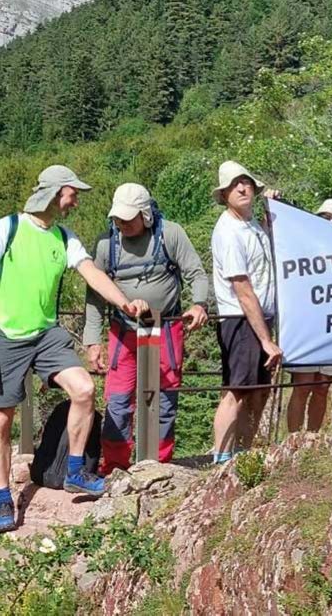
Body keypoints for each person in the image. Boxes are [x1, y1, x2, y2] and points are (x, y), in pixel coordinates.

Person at [0, 165, 149, 533]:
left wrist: (125, 303)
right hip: (5, 335)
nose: (75, 201)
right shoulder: (7, 229)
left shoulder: (64, 237)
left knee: (84, 389)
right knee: (1, 422)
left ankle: (74, 471)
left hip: (46, 332)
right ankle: (4, 498)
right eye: (72, 194)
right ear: (55, 193)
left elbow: (93, 275)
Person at [84, 183, 209, 474]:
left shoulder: (171, 234)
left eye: (129, 218)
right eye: (118, 219)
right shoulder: (106, 245)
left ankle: (158, 465)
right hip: (123, 329)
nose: (122, 224)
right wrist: (92, 341)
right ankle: (114, 466)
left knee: (164, 398)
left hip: (166, 327)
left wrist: (199, 304)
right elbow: (94, 296)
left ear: (146, 214)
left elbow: (196, 273)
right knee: (118, 399)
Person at [210, 161, 283, 463]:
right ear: (224, 194)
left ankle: (243, 455)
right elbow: (242, 289)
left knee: (258, 392)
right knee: (236, 391)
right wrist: (266, 339)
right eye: (234, 185)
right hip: (240, 321)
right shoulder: (228, 232)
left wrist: (274, 213)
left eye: (246, 183)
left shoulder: (253, 224)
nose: (242, 188)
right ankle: (222, 458)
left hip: (261, 317)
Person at [286, 199, 332, 433]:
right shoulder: (303, 247)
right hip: (309, 326)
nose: (330, 223)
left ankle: (312, 439)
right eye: (325, 218)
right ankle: (293, 442)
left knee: (322, 387)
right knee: (302, 385)